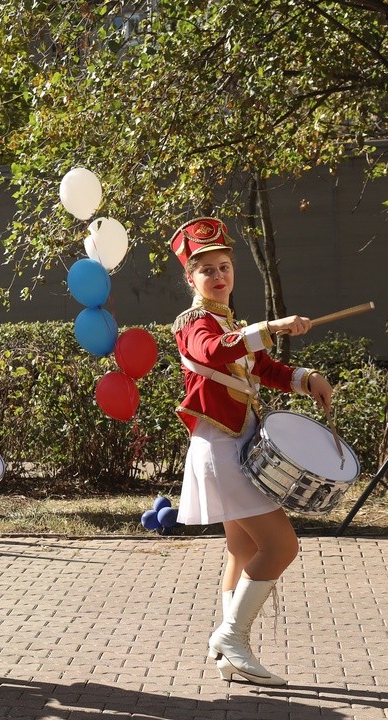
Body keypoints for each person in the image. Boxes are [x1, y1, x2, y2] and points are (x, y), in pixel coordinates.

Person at [169, 217, 333, 686]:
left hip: (236, 446)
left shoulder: (229, 323)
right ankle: (232, 636)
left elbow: (265, 368)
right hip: (221, 448)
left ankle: (228, 654)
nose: (219, 277)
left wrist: (306, 379)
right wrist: (271, 325)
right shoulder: (193, 324)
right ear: (190, 277)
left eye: (225, 266)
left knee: (241, 551)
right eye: (207, 270)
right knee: (282, 545)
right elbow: (215, 352)